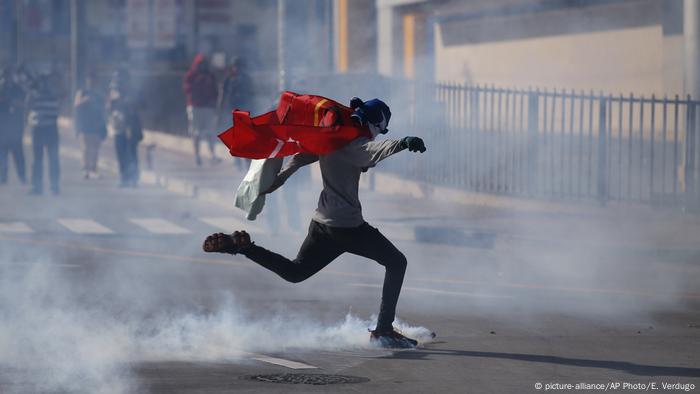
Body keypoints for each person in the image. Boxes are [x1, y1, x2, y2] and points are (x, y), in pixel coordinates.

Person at [203, 97, 428, 348]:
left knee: (295, 272)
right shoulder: (355, 143)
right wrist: (403, 143)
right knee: (397, 262)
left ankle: (242, 247)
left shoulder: (330, 139)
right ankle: (384, 330)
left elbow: (302, 156)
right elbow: (372, 151)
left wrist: (281, 178)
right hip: (348, 227)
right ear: (376, 125)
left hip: (321, 224)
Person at [106, 69, 142, 187]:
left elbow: (141, 104)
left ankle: (134, 178)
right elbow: (109, 108)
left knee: (131, 153)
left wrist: (131, 104)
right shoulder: (113, 92)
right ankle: (124, 178)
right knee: (121, 153)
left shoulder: (133, 91)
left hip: (131, 126)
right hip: (118, 126)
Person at [26, 75, 60, 195]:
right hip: (42, 129)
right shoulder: (35, 95)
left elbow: (28, 106)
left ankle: (52, 186)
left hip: (46, 128)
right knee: (40, 159)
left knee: (51, 159)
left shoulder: (42, 95)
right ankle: (40, 186)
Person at [183, 54, 219, 166]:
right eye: (200, 64)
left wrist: (214, 102)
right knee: (196, 132)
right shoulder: (191, 75)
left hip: (208, 107)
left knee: (210, 132)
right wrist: (199, 82)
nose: (203, 67)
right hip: (195, 106)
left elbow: (215, 91)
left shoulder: (210, 75)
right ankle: (197, 155)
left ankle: (212, 154)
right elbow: (187, 89)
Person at [218, 57, 253, 170]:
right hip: (235, 111)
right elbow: (223, 95)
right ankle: (240, 161)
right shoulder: (230, 79)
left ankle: (244, 161)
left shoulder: (241, 79)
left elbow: (251, 94)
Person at [73, 73, 107, 179]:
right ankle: (85, 169)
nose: (92, 83)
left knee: (95, 149)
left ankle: (93, 168)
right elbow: (76, 105)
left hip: (96, 126)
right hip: (85, 126)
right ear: (87, 82)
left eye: (94, 81)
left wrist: (103, 124)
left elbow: (104, 109)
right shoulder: (82, 92)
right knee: (86, 148)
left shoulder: (99, 94)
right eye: (90, 81)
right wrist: (85, 100)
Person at [0, 66, 27, 185]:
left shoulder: (18, 89)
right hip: (2, 127)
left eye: (8, 75)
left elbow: (23, 103)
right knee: (2, 155)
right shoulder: (1, 88)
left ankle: (22, 177)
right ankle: (2, 177)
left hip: (15, 127)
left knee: (18, 154)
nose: (7, 78)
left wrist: (12, 101)